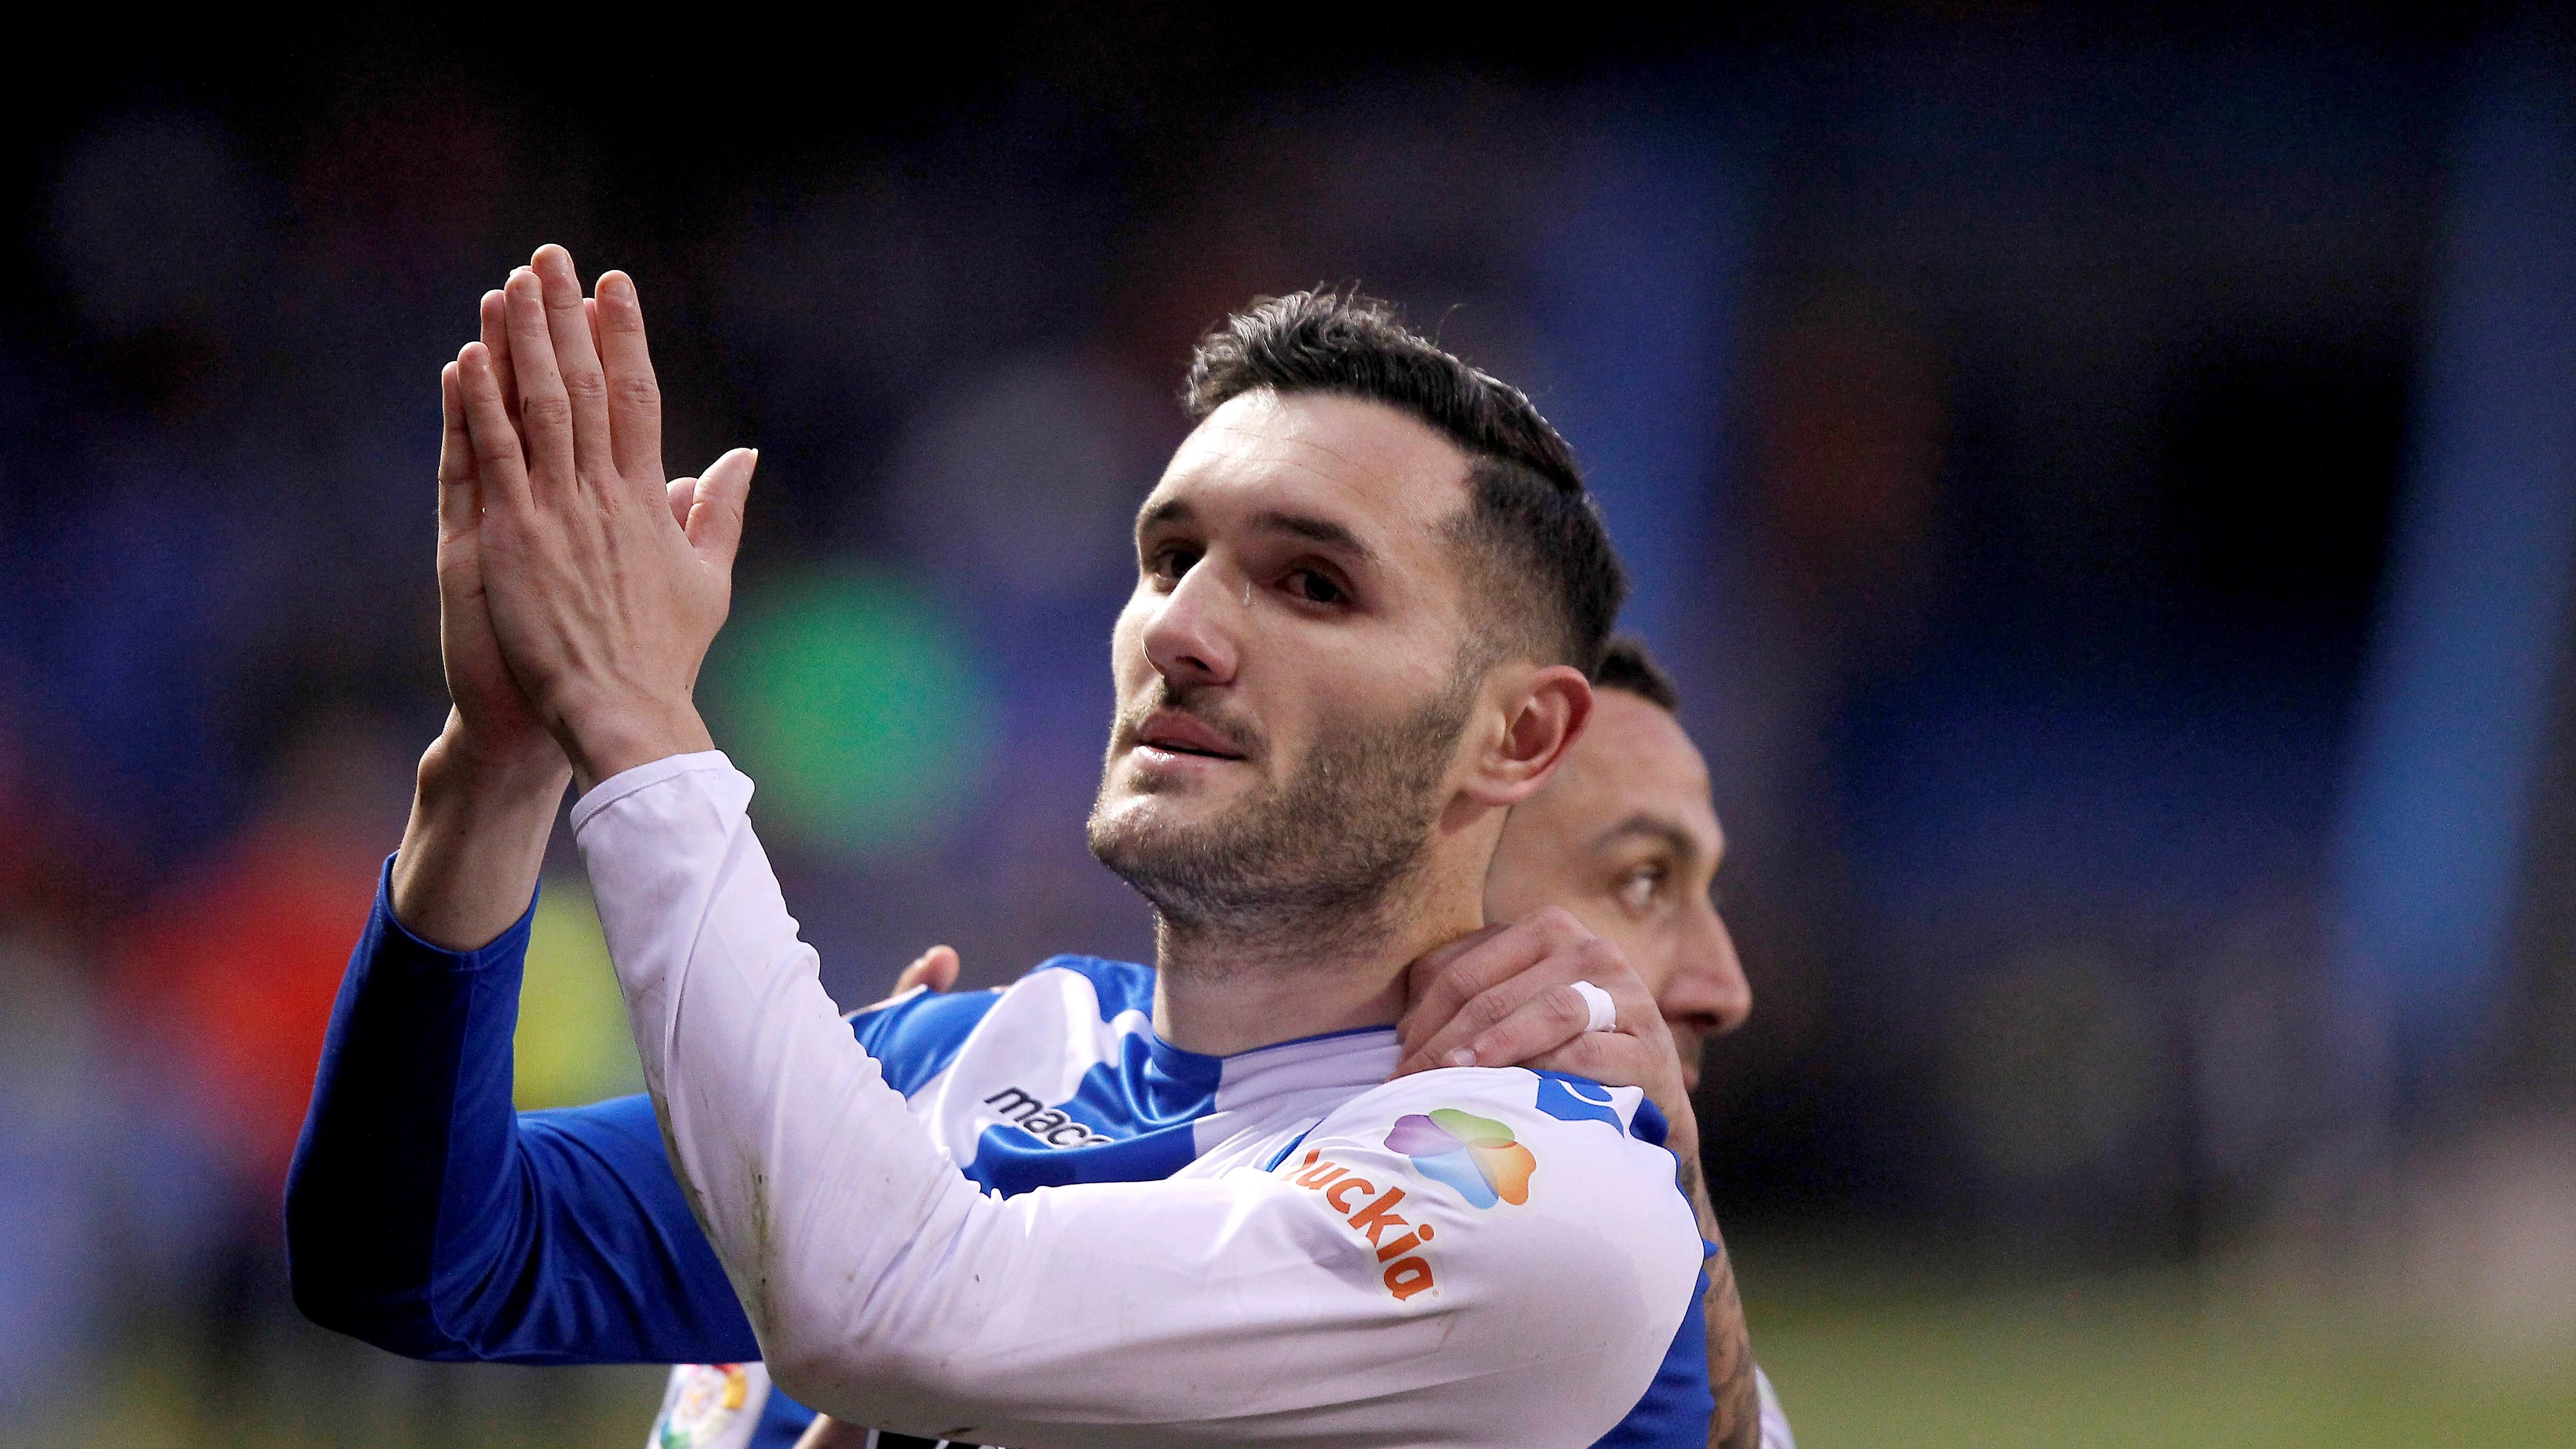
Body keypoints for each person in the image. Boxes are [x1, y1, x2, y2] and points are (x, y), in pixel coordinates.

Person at [289, 247, 1718, 1446]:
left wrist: (635, 718)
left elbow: (897, 1309)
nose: (1181, 629)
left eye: (1313, 584)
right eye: (1169, 558)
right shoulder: (963, 1062)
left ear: (1519, 738)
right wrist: (499, 765)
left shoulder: (1542, 1202)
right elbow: (411, 1261)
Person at [811, 638, 1795, 1449]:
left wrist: (1682, 1191)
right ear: (1442, 869)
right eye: (1641, 880)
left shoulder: (1629, 1304)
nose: (1725, 986)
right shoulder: (973, 1117)